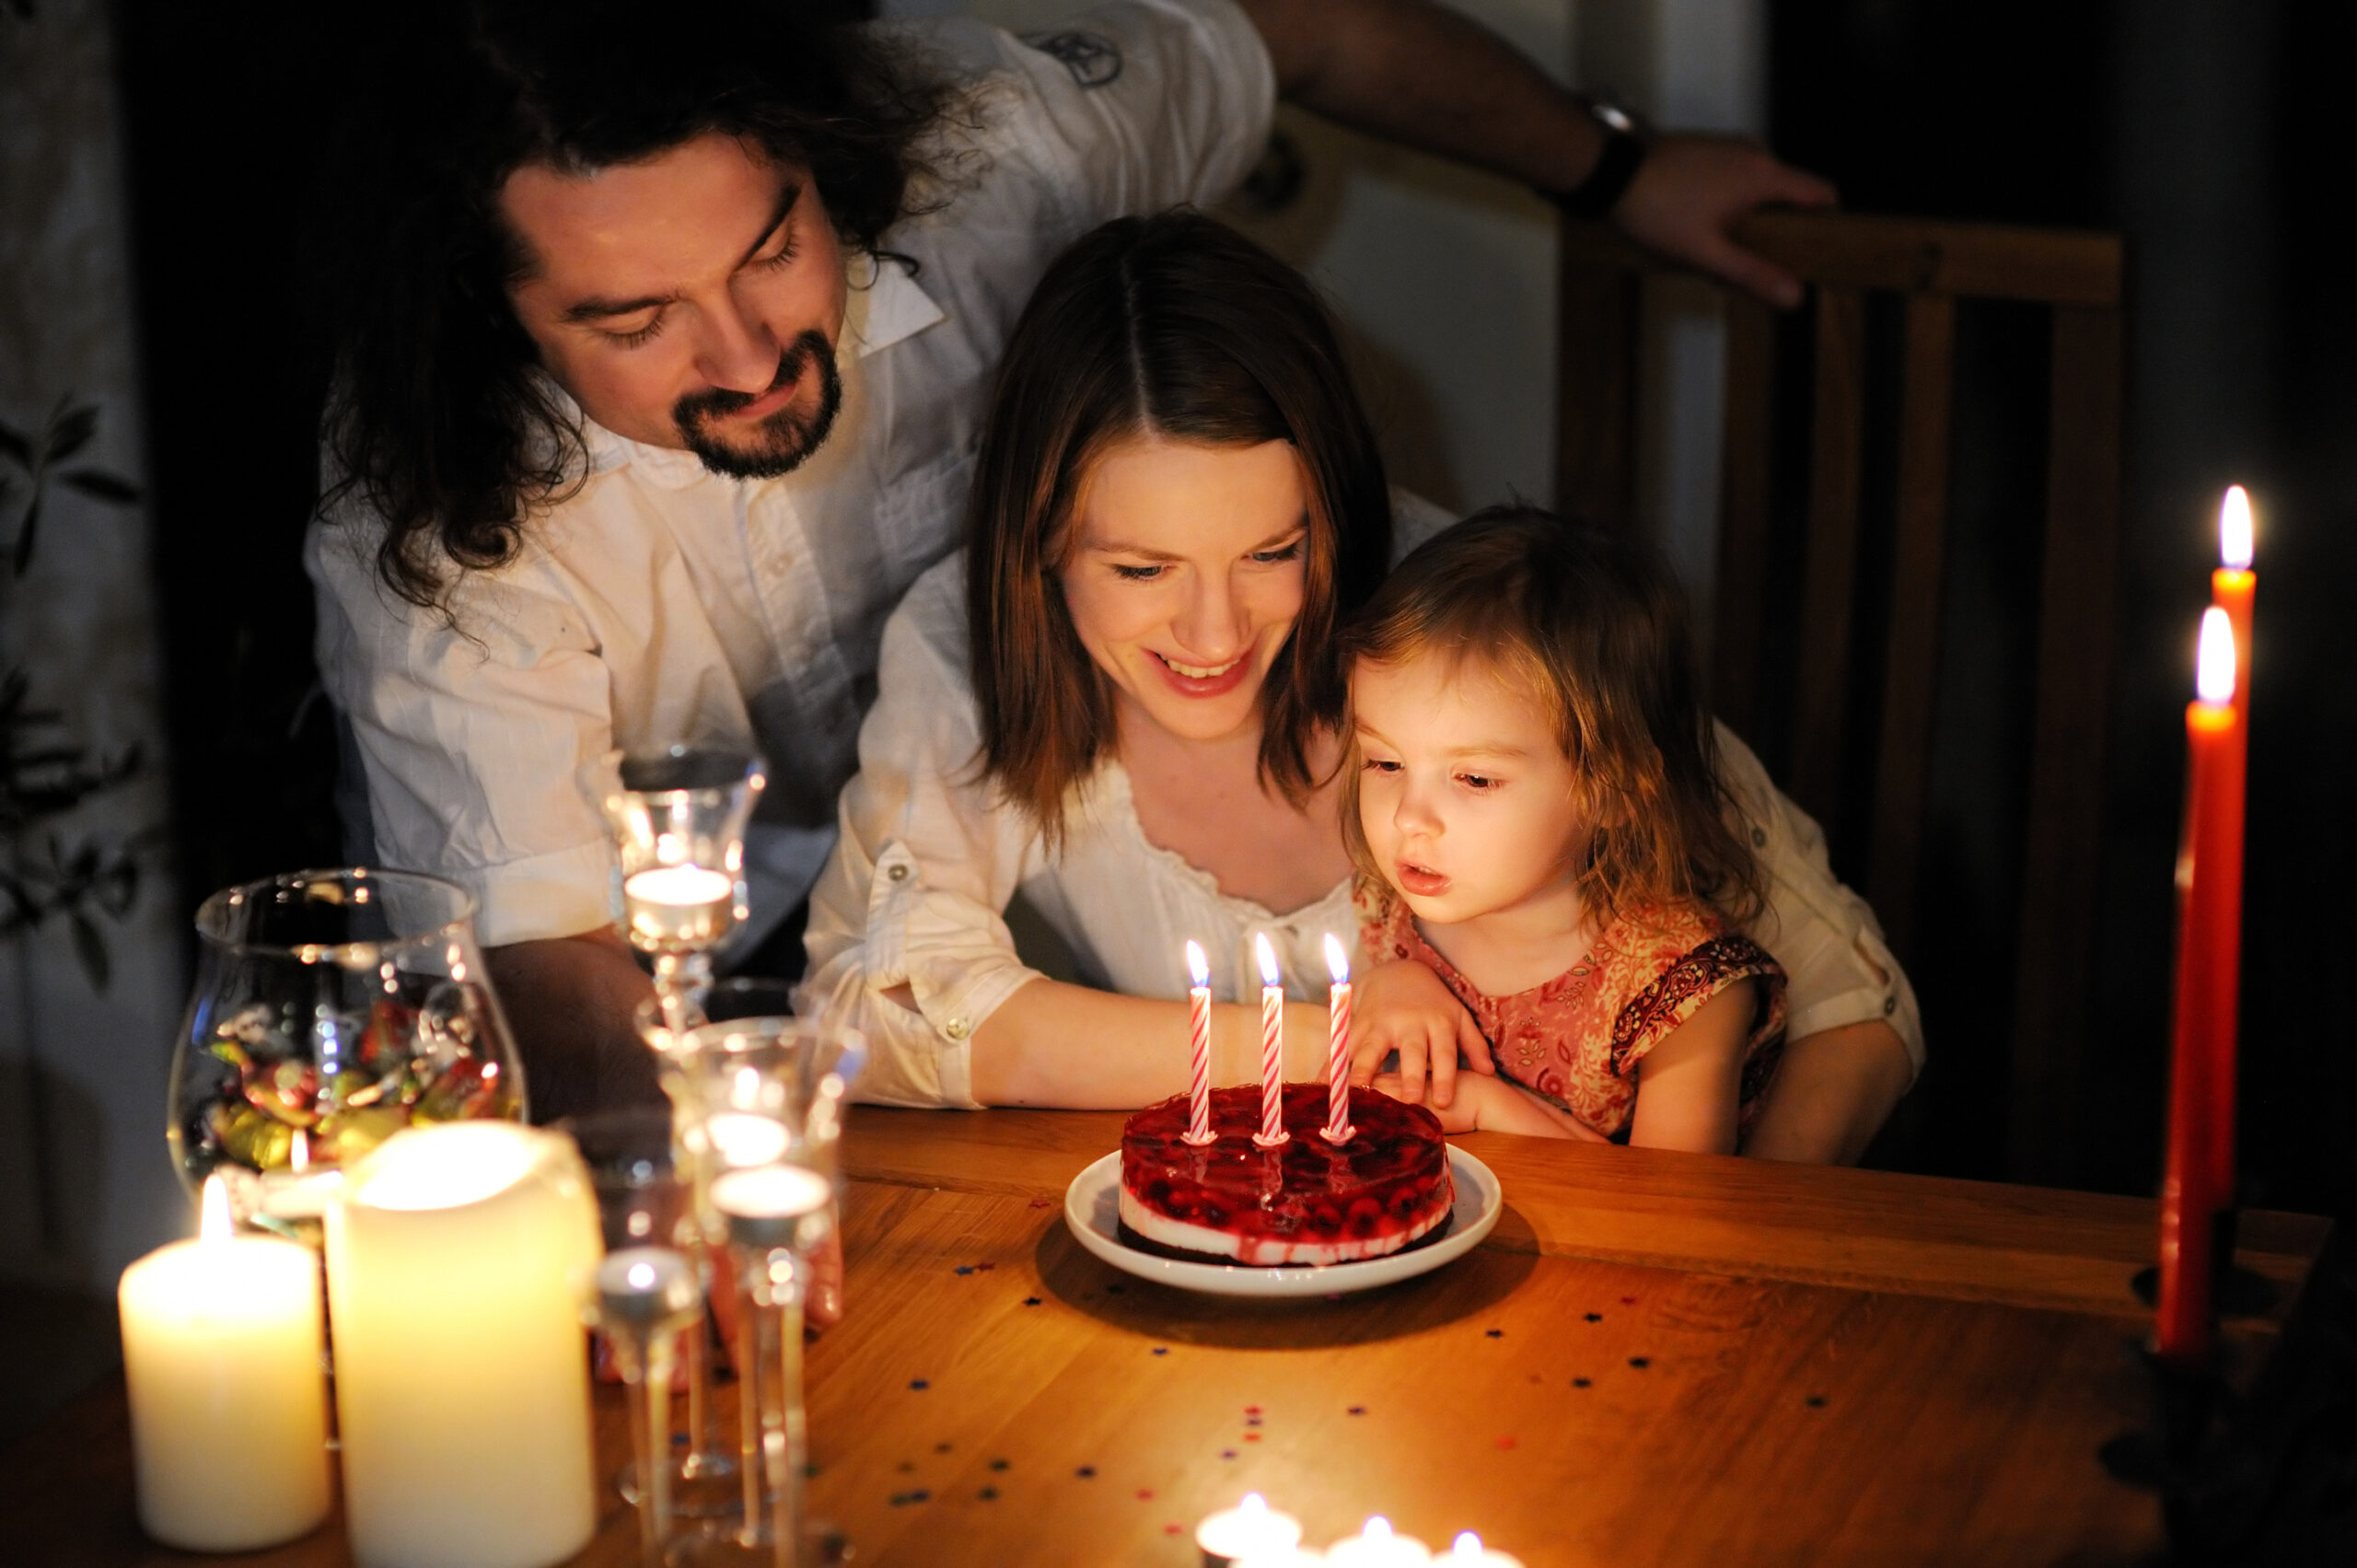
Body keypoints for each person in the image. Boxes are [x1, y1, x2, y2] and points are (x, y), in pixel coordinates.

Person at [304, 0, 1871, 1135]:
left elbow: (1304, 30)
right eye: (636, 322)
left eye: (773, 249)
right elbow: (559, 958)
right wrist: (675, 1196)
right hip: (676, 986)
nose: (750, 351)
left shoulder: (998, 159)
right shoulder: (442, 531)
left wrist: (1616, 170)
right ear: (493, 311)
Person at [804, 210, 1922, 1166]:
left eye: (1272, 552)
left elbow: (1853, 1004)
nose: (1213, 633)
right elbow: (864, 1010)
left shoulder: (1474, 623)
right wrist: (1329, 1039)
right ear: (1038, 540)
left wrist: (1707, 1236)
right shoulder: (963, 645)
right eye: (1141, 569)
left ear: (1334, 512)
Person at [1341, 507, 1785, 1152]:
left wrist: (1489, 1104)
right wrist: (1385, 985)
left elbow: (1671, 1202)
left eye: (1474, 778)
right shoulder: (1391, 911)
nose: (1409, 816)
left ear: (1611, 789)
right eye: (1385, 763)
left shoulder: (1680, 988)